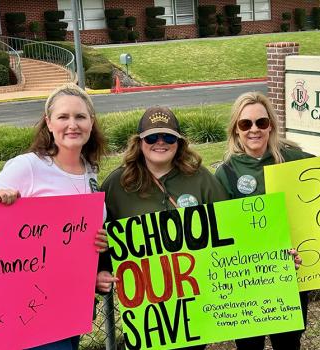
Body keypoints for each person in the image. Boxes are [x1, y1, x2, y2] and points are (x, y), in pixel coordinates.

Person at [0, 83, 108, 350]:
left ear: (91, 122)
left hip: (73, 304)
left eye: (80, 116)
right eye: (63, 117)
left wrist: (100, 248)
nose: (72, 124)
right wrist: (0, 201)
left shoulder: (90, 172)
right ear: (49, 123)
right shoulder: (27, 166)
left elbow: (74, 242)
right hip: (30, 308)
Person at [97, 106, 228, 350]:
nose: (160, 143)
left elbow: (232, 228)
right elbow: (96, 235)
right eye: (152, 137)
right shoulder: (117, 184)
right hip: (146, 310)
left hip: (193, 302)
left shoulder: (200, 178)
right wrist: (100, 271)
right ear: (140, 142)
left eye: (168, 137)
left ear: (179, 142)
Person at [215, 91, 313, 350]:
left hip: (289, 274)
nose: (254, 130)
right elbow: (219, 231)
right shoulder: (225, 173)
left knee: (289, 344)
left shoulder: (294, 159)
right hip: (246, 279)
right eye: (246, 124)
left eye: (261, 122)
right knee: (249, 347)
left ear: (271, 125)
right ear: (236, 129)